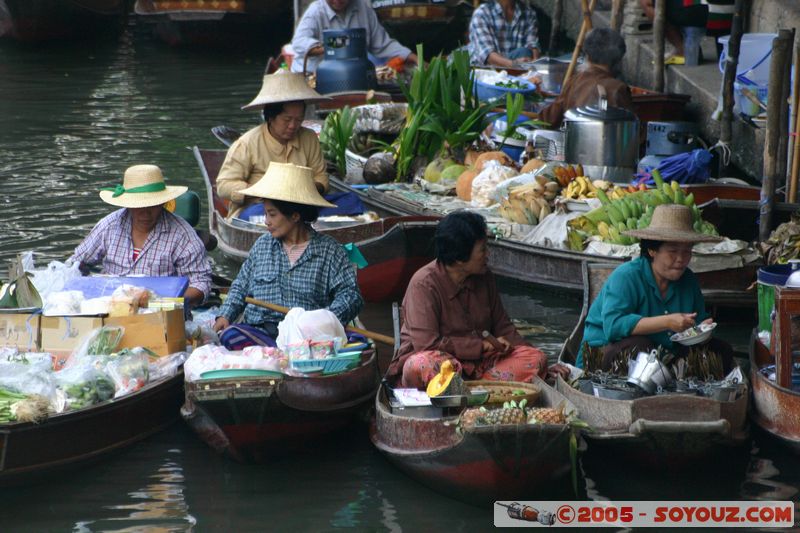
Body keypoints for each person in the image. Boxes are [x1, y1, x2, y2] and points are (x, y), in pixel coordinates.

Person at [387, 211, 550, 389]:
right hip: (442, 365)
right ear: (459, 258)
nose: (487, 254)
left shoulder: (484, 276)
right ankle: (473, 388)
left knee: (536, 358)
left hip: (481, 367)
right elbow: (426, 345)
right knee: (422, 363)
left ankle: (474, 389)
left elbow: (504, 326)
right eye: (482, 249)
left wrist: (528, 351)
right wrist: (480, 346)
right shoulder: (424, 284)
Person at [213, 162, 363, 347]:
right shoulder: (262, 246)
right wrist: (225, 314)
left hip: (306, 338)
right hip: (259, 334)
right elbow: (240, 287)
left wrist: (323, 321)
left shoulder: (329, 251)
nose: (266, 221)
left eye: (272, 214)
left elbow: (350, 295)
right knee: (231, 336)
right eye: (265, 214)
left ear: (295, 216)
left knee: (352, 342)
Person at [578, 204, 733, 372]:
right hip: (606, 353)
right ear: (652, 250)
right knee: (640, 348)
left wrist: (703, 330)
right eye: (673, 251)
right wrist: (667, 322)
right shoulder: (626, 276)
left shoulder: (688, 280)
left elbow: (697, 321)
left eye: (687, 251)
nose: (681, 259)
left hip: (663, 353)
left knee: (721, 350)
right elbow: (613, 327)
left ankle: (671, 378)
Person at [70, 164, 212, 309]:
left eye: (153, 205)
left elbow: (201, 283)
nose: (146, 213)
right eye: (139, 206)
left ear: (163, 203)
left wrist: (166, 301)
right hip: (111, 306)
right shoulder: (109, 225)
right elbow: (75, 263)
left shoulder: (183, 235)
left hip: (160, 312)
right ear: (129, 205)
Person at [215, 71, 329, 219]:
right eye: (287, 120)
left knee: (351, 202)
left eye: (299, 119)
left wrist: (308, 189)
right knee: (274, 215)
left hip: (302, 206)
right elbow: (224, 186)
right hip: (260, 207)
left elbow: (321, 176)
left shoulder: (309, 138)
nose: (293, 126)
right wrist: (261, 192)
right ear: (270, 117)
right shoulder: (247, 143)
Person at [538, 28, 634, 128]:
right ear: (618, 60)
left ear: (587, 56)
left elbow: (548, 120)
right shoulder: (618, 88)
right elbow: (635, 131)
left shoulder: (575, 80)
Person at [290, 0, 417, 75]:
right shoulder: (316, 11)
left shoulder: (363, 9)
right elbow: (299, 42)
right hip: (314, 77)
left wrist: (416, 59)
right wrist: (335, 46)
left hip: (350, 75)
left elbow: (383, 44)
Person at [468, 0, 541, 68]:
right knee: (524, 52)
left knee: (526, 53)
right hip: (486, 69)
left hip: (516, 67)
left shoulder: (528, 13)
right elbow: (488, 55)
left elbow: (532, 44)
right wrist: (514, 64)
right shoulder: (482, 13)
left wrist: (535, 63)